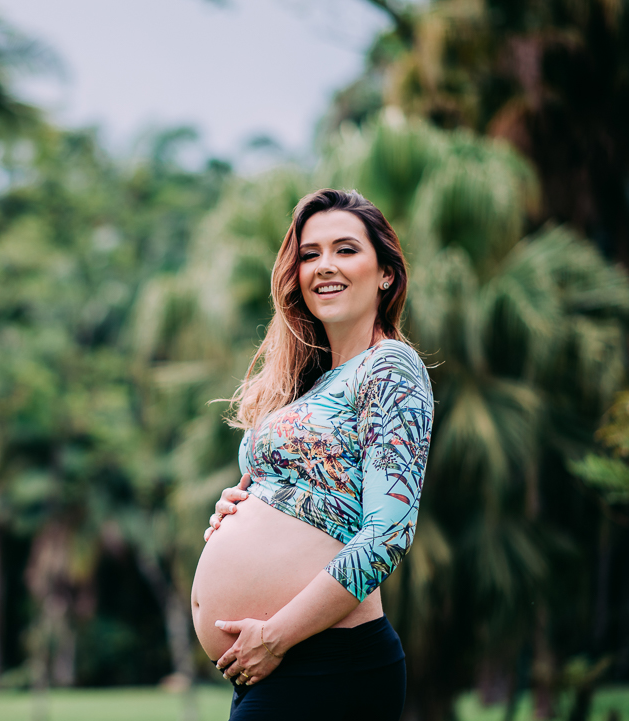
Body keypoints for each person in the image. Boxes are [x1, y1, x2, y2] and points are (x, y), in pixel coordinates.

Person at [189, 189, 434, 720]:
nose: (325, 266)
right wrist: (240, 507)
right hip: (278, 661)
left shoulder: (389, 367)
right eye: (310, 253)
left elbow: (389, 532)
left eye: (346, 250)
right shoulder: (312, 386)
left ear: (385, 273)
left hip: (327, 658)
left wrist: (276, 635)